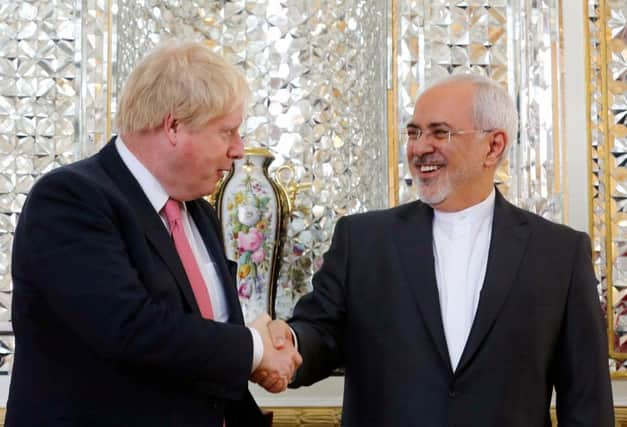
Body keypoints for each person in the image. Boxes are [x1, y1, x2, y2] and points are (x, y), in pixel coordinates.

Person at [260, 74, 614, 426]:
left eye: (439, 132)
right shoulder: (364, 239)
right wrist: (288, 342)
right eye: (414, 133)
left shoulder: (559, 253)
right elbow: (320, 333)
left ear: (493, 146)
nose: (419, 148)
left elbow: (586, 400)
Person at [6, 40, 301, 427]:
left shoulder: (199, 212)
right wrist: (256, 349)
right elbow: (131, 329)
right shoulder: (69, 199)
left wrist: (261, 344)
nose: (239, 150)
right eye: (227, 132)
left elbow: (201, 342)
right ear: (174, 126)